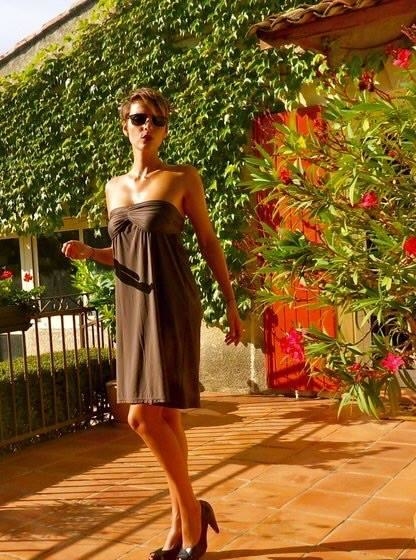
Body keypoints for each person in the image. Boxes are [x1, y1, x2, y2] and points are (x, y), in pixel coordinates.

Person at [62, 87, 242, 560]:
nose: (149, 128)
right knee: (164, 417)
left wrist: (230, 301)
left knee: (141, 417)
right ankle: (182, 522)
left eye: (158, 121)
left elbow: (208, 241)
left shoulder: (183, 178)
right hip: (132, 306)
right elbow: (126, 253)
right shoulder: (113, 188)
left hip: (171, 302)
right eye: (141, 118)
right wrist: (90, 252)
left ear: (164, 130)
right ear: (125, 124)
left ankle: (191, 516)